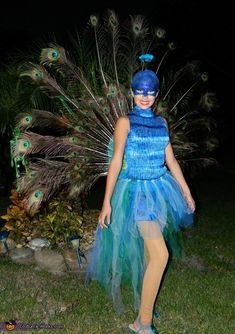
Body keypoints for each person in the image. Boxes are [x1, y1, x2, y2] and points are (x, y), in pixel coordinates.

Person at [85, 66, 195, 334]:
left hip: (160, 189)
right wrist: (106, 201)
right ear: (132, 93)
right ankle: (141, 323)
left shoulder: (161, 123)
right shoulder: (125, 122)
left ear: (156, 94)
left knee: (149, 253)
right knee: (160, 254)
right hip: (137, 194)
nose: (144, 96)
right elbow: (117, 160)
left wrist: (186, 190)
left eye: (150, 92)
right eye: (139, 91)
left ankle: (145, 303)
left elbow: (170, 159)